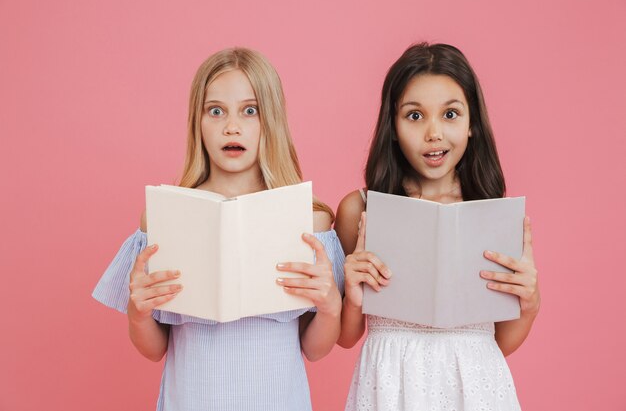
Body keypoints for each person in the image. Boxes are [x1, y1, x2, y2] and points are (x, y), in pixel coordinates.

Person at [93, 47, 344, 411]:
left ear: (270, 119)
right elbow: (155, 349)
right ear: (198, 121)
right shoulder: (165, 218)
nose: (232, 126)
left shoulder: (309, 222)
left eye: (250, 110)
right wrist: (139, 312)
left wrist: (330, 308)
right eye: (215, 111)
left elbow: (314, 349)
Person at [336, 42, 540, 410]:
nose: (434, 133)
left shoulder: (491, 212)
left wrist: (529, 302)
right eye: (415, 116)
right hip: (390, 385)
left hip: (475, 386)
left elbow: (497, 342)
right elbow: (346, 338)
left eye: (450, 115)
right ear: (393, 126)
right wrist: (351, 295)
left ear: (472, 123)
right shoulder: (360, 210)